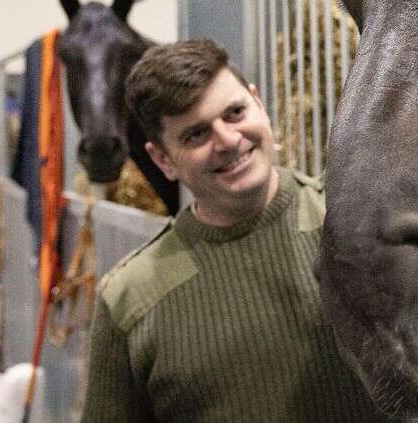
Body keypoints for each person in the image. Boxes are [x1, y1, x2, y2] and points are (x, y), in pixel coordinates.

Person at [81, 39, 382, 422]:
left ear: (258, 103)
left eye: (235, 112)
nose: (226, 140)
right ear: (162, 160)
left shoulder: (356, 222)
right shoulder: (133, 298)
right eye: (196, 135)